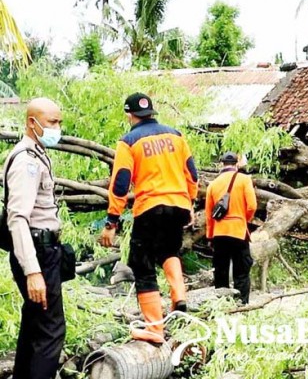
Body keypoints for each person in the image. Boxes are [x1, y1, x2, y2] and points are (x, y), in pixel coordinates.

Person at [100, 92, 198, 344]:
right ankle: (179, 295)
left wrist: (111, 222)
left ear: (129, 114)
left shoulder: (128, 142)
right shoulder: (176, 136)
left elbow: (121, 183)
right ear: (151, 112)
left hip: (150, 206)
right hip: (178, 204)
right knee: (168, 251)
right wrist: (190, 203)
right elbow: (192, 173)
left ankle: (154, 329)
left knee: (141, 264)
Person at [5, 98, 65, 379]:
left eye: (59, 122)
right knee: (51, 332)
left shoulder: (38, 154)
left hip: (44, 250)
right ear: (32, 122)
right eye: (52, 122)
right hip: (37, 253)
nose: (57, 128)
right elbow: (17, 218)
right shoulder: (26, 161)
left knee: (34, 327)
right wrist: (33, 271)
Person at [205, 152, 257, 304]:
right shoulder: (244, 180)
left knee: (221, 269)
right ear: (236, 164)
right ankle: (242, 302)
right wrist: (243, 219)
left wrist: (210, 236)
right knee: (241, 268)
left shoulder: (213, 185)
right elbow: (252, 205)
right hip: (238, 231)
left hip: (219, 233)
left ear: (222, 164)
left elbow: (209, 215)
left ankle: (222, 303)